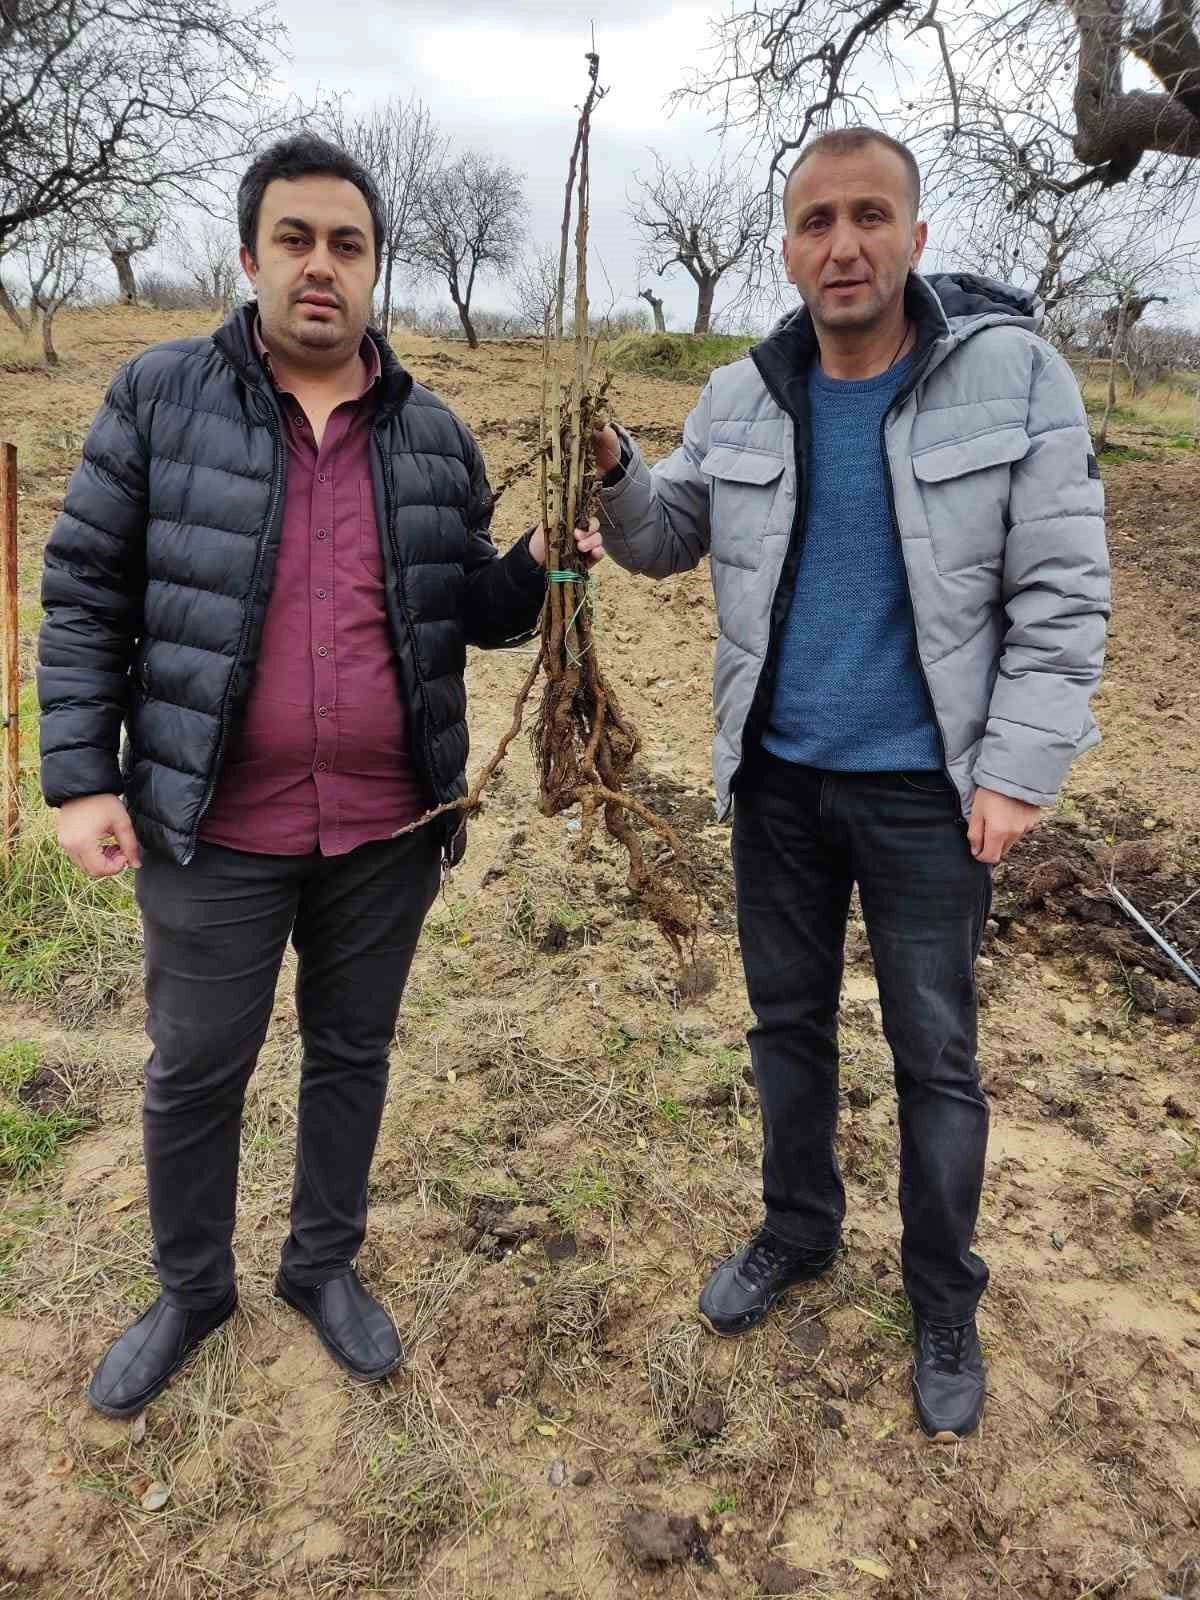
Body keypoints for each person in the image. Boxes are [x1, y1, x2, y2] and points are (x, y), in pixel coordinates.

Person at [38, 133, 595, 1418]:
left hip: (386, 825)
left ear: (375, 266)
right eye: (295, 239)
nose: (321, 266)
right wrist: (81, 779)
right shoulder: (159, 397)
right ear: (249, 258)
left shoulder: (433, 433)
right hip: (212, 820)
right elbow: (85, 590)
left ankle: (321, 1264)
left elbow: (468, 609)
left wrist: (536, 566)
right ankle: (190, 1289)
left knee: (352, 1050)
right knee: (195, 1067)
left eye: (347, 244)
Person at [589, 127, 1109, 1441]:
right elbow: (665, 536)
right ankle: (798, 1227)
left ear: (916, 238)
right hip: (777, 784)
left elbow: (1063, 593)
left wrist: (1017, 773)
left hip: (932, 795)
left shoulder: (1016, 376)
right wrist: (613, 471)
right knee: (787, 1028)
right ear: (787, 248)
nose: (843, 244)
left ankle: (942, 1296)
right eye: (817, 221)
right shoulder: (742, 393)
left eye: (870, 216)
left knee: (936, 1056)